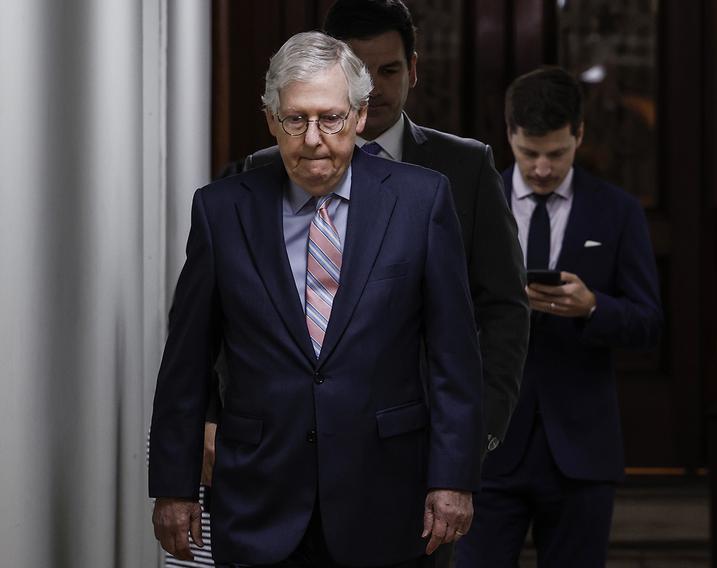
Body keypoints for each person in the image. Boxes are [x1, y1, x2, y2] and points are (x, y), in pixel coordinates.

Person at [148, 31, 483, 568]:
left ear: (357, 115)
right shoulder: (221, 210)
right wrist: (174, 485)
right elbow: (186, 360)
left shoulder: (422, 201)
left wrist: (454, 478)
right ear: (270, 120)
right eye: (295, 119)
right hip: (260, 496)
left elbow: (454, 358)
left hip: (386, 496)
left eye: (329, 118)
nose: (312, 139)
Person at [234, 0, 528, 456]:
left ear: (413, 69)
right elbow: (233, 308)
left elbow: (503, 306)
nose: (373, 90)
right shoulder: (267, 169)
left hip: (426, 438)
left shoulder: (465, 169)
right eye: (360, 73)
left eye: (389, 71)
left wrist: (482, 424)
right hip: (290, 440)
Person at [455, 67, 663, 567]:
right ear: (508, 135)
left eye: (556, 153)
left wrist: (593, 307)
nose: (542, 168)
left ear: (580, 135)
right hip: (488, 445)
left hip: (581, 450)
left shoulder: (618, 212)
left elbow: (649, 323)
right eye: (529, 154)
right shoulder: (469, 206)